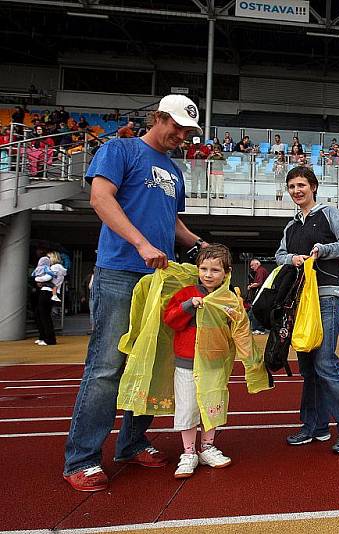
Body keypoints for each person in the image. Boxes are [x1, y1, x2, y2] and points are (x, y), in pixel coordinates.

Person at [63, 94, 207, 492]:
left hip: (158, 281)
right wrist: (142, 244)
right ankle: (83, 458)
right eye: (176, 126)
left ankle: (131, 442)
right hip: (119, 273)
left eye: (187, 131)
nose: (181, 135)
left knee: (151, 364)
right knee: (107, 366)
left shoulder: (174, 172)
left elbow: (172, 220)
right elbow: (100, 198)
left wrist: (199, 245)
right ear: (157, 117)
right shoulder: (120, 149)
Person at [275, 166, 339, 453]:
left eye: (301, 185)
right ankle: (315, 427)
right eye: (291, 187)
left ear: (313, 187)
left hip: (326, 295)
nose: (296, 191)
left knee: (325, 362)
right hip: (300, 301)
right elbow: (279, 255)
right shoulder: (291, 227)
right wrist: (293, 258)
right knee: (308, 367)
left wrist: (322, 250)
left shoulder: (329, 213)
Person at [161, 244, 238, 478]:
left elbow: (239, 325)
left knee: (212, 405)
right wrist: (188, 306)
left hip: (214, 362)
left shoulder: (228, 297)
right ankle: (188, 452)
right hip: (186, 362)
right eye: (203, 268)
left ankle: (207, 447)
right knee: (187, 407)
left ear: (226, 272)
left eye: (215, 270)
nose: (208, 274)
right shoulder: (186, 294)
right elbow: (170, 320)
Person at [247, 259, 269, 334]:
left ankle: (259, 329)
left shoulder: (260, 271)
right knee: (251, 312)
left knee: (255, 310)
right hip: (263, 294)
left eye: (252, 265)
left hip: (261, 294)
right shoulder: (261, 270)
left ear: (257, 264)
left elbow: (259, 283)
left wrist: (250, 286)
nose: (251, 267)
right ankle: (256, 328)